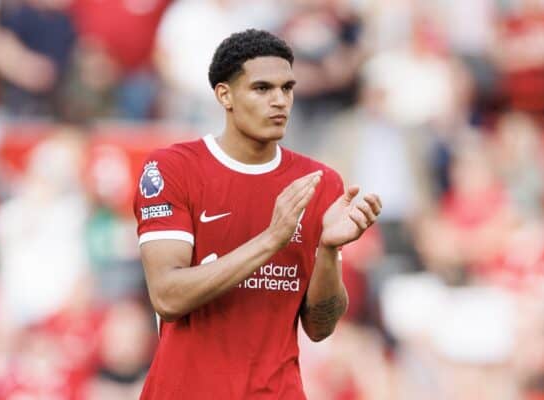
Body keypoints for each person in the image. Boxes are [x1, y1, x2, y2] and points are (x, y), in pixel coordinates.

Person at [133, 29, 382, 399]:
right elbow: (168, 296)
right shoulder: (173, 169)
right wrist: (271, 239)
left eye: (287, 88)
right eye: (262, 89)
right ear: (225, 95)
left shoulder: (319, 183)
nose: (279, 101)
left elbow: (319, 327)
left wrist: (328, 251)